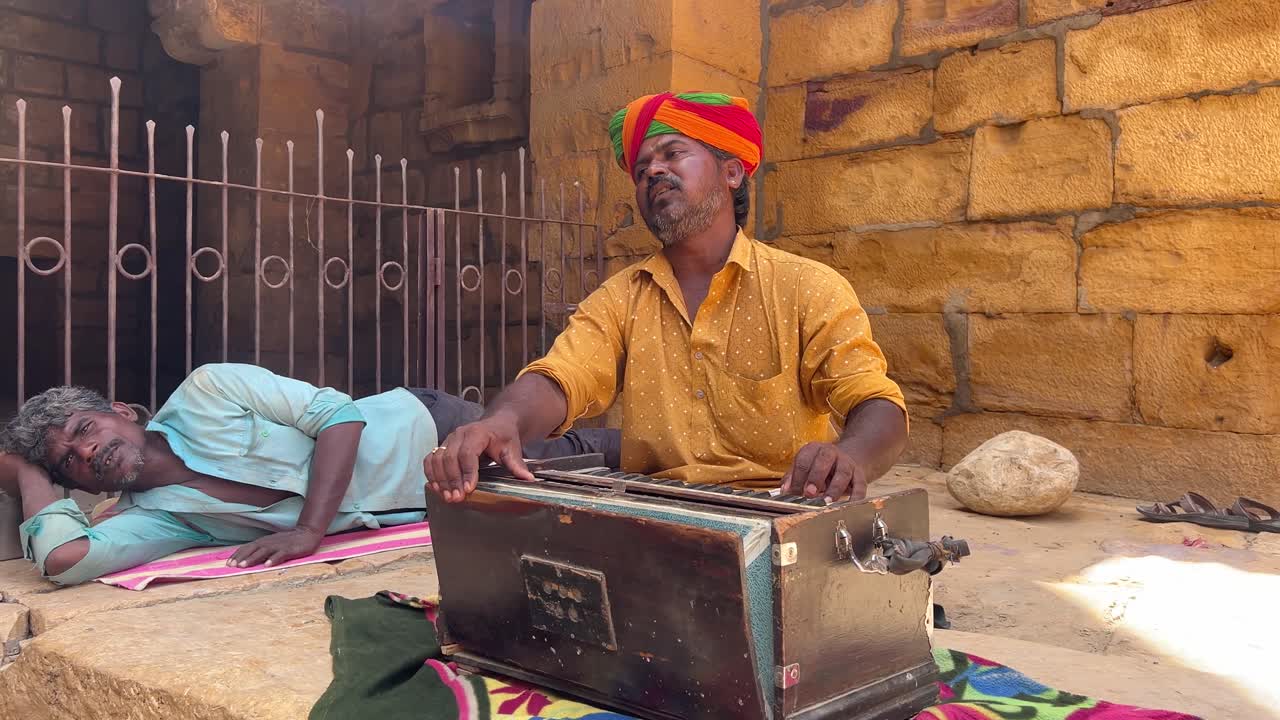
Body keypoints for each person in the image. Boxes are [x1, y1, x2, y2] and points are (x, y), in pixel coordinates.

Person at [425, 91, 908, 505]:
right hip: (657, 512)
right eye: (641, 169)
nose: (653, 170)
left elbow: (875, 401)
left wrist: (850, 457)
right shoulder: (620, 299)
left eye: (673, 154)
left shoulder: (807, 287)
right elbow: (561, 378)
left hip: (778, 510)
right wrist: (501, 419)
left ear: (733, 173)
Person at [0, 363, 619, 586]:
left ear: (120, 412)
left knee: (572, 463)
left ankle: (675, 448)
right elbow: (65, 559)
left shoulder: (209, 390)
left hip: (422, 433)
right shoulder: (157, 518)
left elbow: (337, 416)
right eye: (67, 464)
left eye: (85, 431)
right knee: (571, 496)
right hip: (417, 501)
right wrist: (28, 472)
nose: (86, 454)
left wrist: (308, 530)